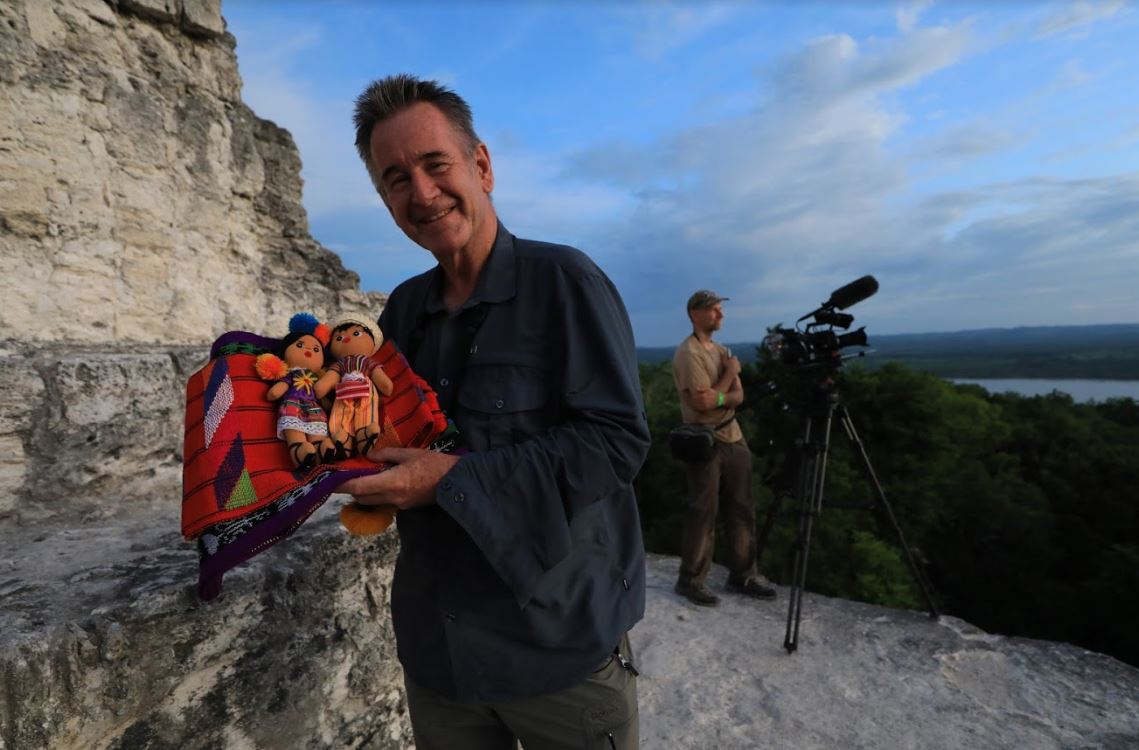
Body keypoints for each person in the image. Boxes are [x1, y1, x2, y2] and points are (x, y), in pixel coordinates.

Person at [340, 74, 649, 750]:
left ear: (480, 165)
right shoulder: (404, 310)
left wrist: (446, 479)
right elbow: (388, 441)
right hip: (440, 652)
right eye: (395, 178)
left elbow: (615, 443)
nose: (420, 193)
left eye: (434, 164)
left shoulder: (565, 282)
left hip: (555, 647)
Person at [671, 290, 777, 607]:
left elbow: (738, 397)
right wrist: (730, 375)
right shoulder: (690, 354)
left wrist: (722, 395)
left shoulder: (721, 350)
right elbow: (702, 404)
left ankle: (743, 574)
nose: (721, 315)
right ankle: (691, 580)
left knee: (742, 507)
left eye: (720, 310)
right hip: (704, 440)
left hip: (733, 435)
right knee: (704, 511)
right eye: (714, 310)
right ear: (694, 313)